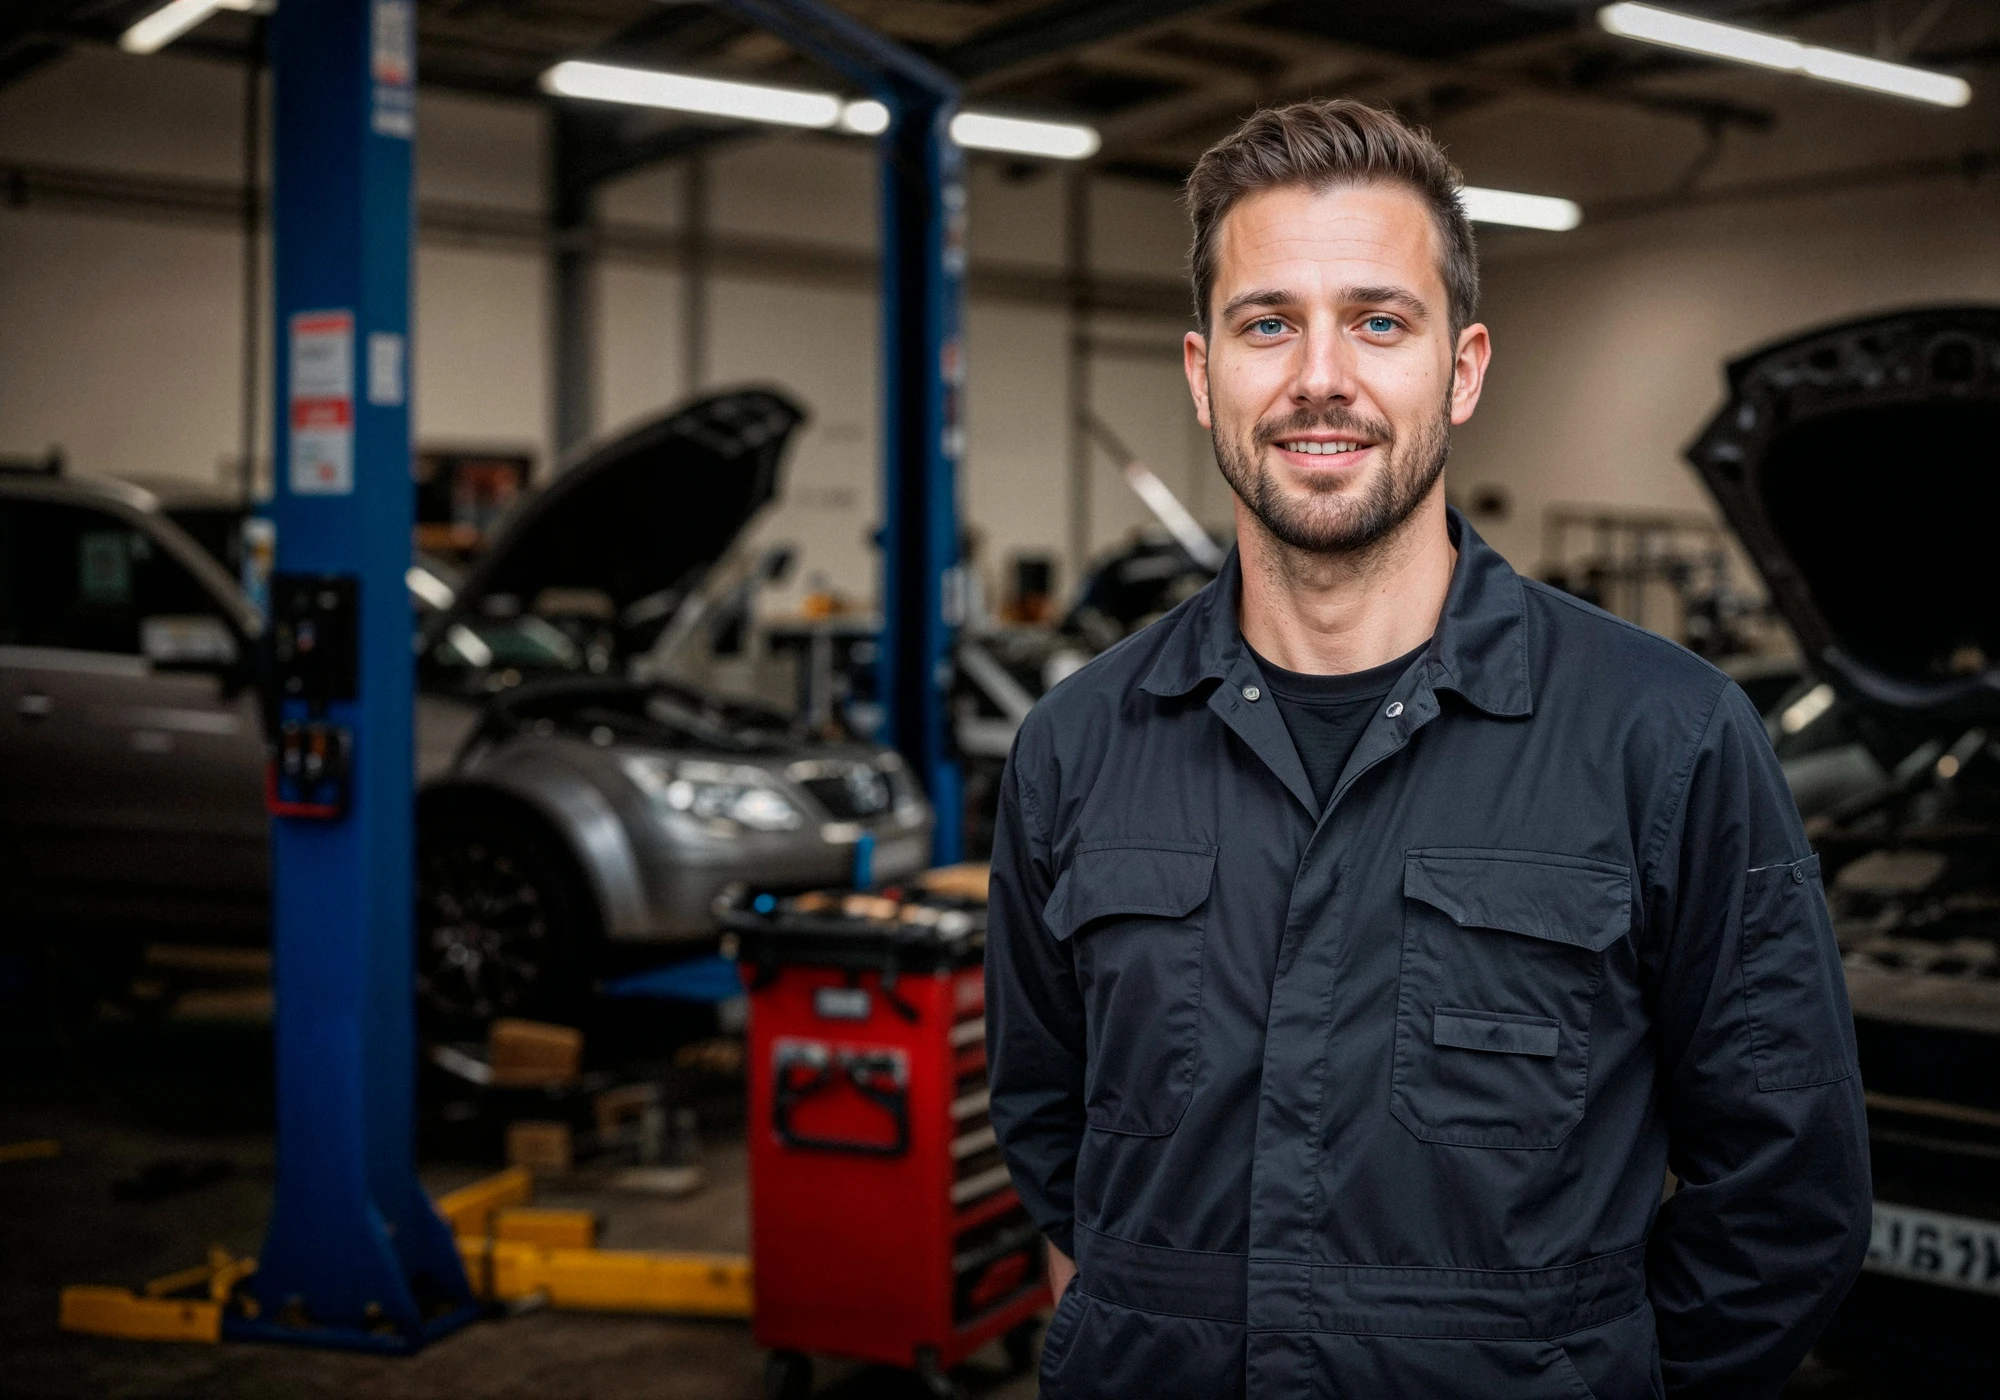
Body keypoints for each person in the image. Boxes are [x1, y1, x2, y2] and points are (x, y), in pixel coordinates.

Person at [984, 99, 1870, 1400]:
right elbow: (1050, 1136)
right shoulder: (1076, 745)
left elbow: (1787, 1194)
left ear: (1461, 368)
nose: (1319, 377)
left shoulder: (1661, 738)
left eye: (1378, 321)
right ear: (1200, 370)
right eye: (1267, 322)